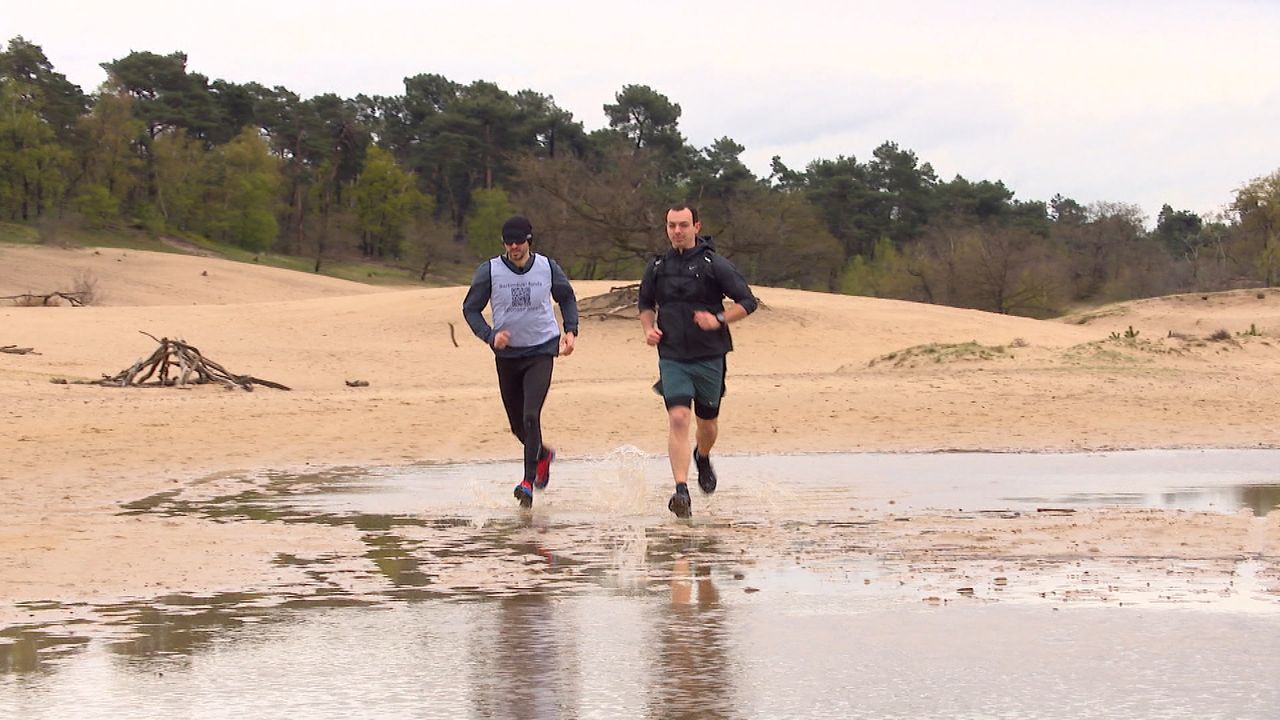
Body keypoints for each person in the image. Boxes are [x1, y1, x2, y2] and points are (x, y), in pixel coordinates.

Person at [638, 203, 759, 518]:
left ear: (696, 226)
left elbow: (747, 302)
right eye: (671, 226)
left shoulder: (714, 264)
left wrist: (717, 319)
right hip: (672, 356)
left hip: (709, 356)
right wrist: (648, 328)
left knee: (707, 424)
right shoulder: (657, 266)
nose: (677, 231)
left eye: (683, 225)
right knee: (679, 418)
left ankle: (702, 456)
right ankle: (681, 490)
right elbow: (645, 304)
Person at [462, 215, 578, 508]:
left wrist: (571, 330)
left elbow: (566, 297)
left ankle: (527, 483)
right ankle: (543, 455)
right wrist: (490, 336)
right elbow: (470, 309)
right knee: (517, 426)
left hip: (541, 349)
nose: (514, 247)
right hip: (508, 356)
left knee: (530, 415)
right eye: (508, 243)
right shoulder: (490, 271)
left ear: (529, 241)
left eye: (519, 242)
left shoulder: (547, 267)